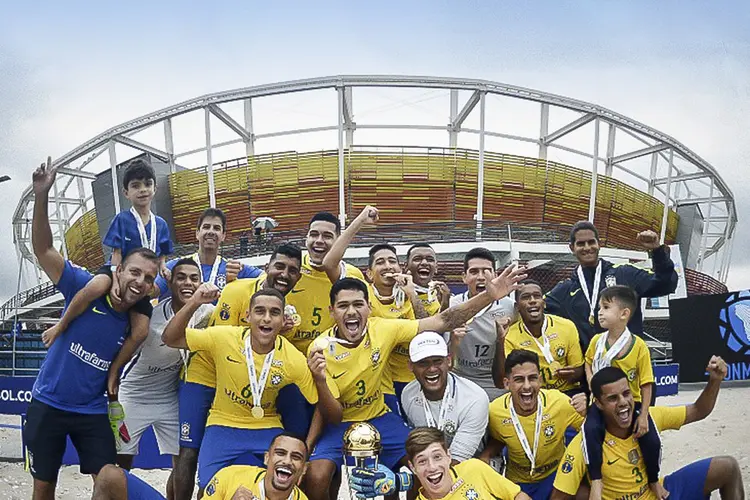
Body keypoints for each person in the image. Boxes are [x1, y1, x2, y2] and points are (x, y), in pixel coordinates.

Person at [303, 264, 526, 500]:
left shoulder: (383, 328)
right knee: (316, 476)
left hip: (380, 416)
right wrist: (319, 380)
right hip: (342, 421)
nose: (351, 311)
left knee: (418, 466)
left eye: (358, 304)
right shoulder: (319, 349)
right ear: (332, 311)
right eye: (343, 306)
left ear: (369, 308)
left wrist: (489, 296)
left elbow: (444, 320)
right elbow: (334, 415)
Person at [26, 157, 159, 500]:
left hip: (93, 411)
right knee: (43, 489)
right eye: (134, 272)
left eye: (148, 278)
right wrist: (42, 196)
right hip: (48, 405)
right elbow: (43, 249)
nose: (139, 282)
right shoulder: (85, 287)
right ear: (118, 270)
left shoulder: (138, 323)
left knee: (111, 479)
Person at [161, 285, 340, 495]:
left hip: (266, 426)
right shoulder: (223, 337)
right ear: (247, 316)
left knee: (277, 487)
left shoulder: (293, 359)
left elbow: (327, 406)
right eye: (259, 311)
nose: (266, 318)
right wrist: (194, 302)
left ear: (283, 321)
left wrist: (306, 447)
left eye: (274, 313)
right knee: (208, 489)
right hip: (223, 423)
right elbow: (170, 338)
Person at [551, 361, 745, 500]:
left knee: (727, 467)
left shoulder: (648, 417)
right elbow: (560, 496)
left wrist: (715, 381)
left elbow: (699, 410)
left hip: (658, 492)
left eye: (626, 394)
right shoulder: (584, 442)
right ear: (599, 404)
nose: (623, 403)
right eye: (613, 398)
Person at [42, 158, 172, 348]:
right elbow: (117, 253)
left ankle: (118, 366)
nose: (143, 189)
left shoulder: (160, 223)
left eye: (147, 184)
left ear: (155, 188)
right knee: (94, 287)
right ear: (126, 193)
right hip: (118, 272)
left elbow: (161, 253)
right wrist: (114, 280)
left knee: (142, 331)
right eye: (136, 186)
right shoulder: (122, 219)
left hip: (141, 280)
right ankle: (61, 325)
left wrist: (163, 268)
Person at [115, 258, 214, 498]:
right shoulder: (150, 314)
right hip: (134, 394)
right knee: (121, 459)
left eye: (194, 278)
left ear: (201, 282)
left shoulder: (208, 312)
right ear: (169, 281)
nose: (188, 282)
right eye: (181, 277)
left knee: (184, 457)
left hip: (169, 396)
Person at [320, 206, 431, 415]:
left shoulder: (419, 297)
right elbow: (329, 262)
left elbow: (429, 332)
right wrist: (360, 221)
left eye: (392, 261)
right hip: (382, 383)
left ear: (401, 268)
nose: (388, 266)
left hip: (416, 380)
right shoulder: (362, 297)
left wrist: (412, 295)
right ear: (369, 274)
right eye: (380, 262)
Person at [545, 221, 678, 350]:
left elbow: (666, 284)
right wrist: (523, 291)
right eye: (581, 244)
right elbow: (537, 307)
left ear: (599, 244)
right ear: (572, 248)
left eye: (591, 242)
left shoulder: (625, 274)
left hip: (627, 365)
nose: (587, 248)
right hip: (591, 368)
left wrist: (657, 251)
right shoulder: (566, 289)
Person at [582, 285, 661, 500]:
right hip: (600, 403)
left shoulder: (638, 346)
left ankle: (653, 480)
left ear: (624, 314)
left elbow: (646, 383)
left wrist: (643, 415)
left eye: (606, 307)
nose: (600, 312)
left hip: (630, 404)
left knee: (652, 441)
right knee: (590, 431)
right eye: (599, 307)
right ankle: (596, 481)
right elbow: (588, 362)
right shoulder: (596, 341)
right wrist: (592, 383)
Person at [482, 349, 586, 500]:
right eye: (519, 379)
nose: (526, 386)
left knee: (583, 494)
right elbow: (497, 440)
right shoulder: (494, 411)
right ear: (506, 383)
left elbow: (589, 431)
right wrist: (486, 458)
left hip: (555, 478)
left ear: (540, 380)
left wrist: (588, 409)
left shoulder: (559, 402)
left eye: (532, 378)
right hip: (518, 484)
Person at [92, 432, 310, 500]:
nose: (287, 461)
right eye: (280, 453)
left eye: (296, 457)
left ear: (304, 469)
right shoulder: (232, 475)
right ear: (267, 458)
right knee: (109, 475)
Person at [349, 427, 529, 500]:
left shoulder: (474, 468)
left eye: (437, 457)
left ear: (448, 456)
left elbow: (518, 495)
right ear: (413, 467)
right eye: (422, 461)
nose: (432, 467)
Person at [284, 211, 366, 354]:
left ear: (338, 241)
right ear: (306, 238)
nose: (319, 240)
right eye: (314, 234)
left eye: (327, 236)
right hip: (291, 356)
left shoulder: (352, 275)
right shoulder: (290, 268)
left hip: (331, 356)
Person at [400, 332, 489, 462]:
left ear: (448, 361)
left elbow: (459, 459)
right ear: (410, 366)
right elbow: (419, 444)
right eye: (423, 363)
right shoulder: (408, 394)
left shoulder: (475, 398)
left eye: (437, 361)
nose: (431, 369)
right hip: (430, 464)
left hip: (470, 465)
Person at [449, 247, 516, 401]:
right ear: (464, 277)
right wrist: (453, 340)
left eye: (486, 271)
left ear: (495, 276)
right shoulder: (453, 306)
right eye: (474, 272)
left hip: (495, 380)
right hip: (461, 377)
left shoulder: (510, 308)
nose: (481, 277)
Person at [153, 207, 261, 299]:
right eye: (206, 227)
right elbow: (153, 292)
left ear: (223, 236)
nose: (211, 231)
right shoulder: (175, 267)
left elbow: (265, 279)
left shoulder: (233, 269)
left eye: (216, 228)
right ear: (197, 233)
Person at [502, 280, 584, 395]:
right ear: (517, 307)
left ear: (544, 303)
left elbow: (578, 370)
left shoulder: (566, 326)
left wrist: (572, 373)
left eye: (537, 296)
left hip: (566, 392)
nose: (532, 301)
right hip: (532, 394)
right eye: (526, 297)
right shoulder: (509, 335)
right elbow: (507, 377)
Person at [405, 243, 451, 315]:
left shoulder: (447, 297)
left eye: (430, 260)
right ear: (406, 266)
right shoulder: (398, 296)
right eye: (417, 259)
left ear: (436, 267)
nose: (424, 263)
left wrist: (445, 305)